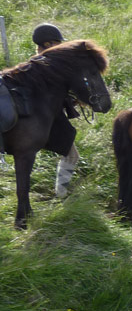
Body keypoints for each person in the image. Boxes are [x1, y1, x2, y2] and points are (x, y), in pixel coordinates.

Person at [31, 23, 82, 198]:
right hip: (48, 121)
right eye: (57, 43)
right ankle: (61, 193)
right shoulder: (46, 65)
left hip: (40, 119)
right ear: (47, 45)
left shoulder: (34, 63)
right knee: (72, 156)